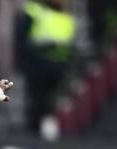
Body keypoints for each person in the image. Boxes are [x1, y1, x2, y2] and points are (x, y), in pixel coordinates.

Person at [15, 0, 76, 132]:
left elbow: (67, 46)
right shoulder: (34, 12)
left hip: (58, 70)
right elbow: (21, 40)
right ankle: (34, 133)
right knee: (37, 103)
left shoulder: (66, 18)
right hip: (38, 68)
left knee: (52, 104)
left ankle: (48, 132)